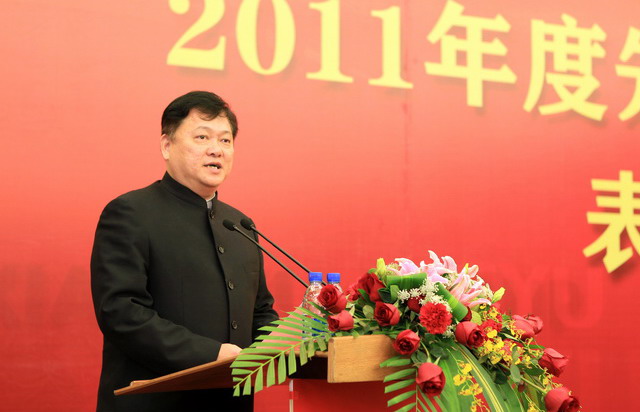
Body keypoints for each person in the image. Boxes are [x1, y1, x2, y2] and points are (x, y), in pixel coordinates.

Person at [90, 91, 278, 411]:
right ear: (167, 145)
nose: (216, 149)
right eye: (202, 137)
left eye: (225, 140)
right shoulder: (131, 213)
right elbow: (121, 312)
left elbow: (261, 312)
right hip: (153, 404)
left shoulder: (240, 225)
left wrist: (287, 344)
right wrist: (211, 354)